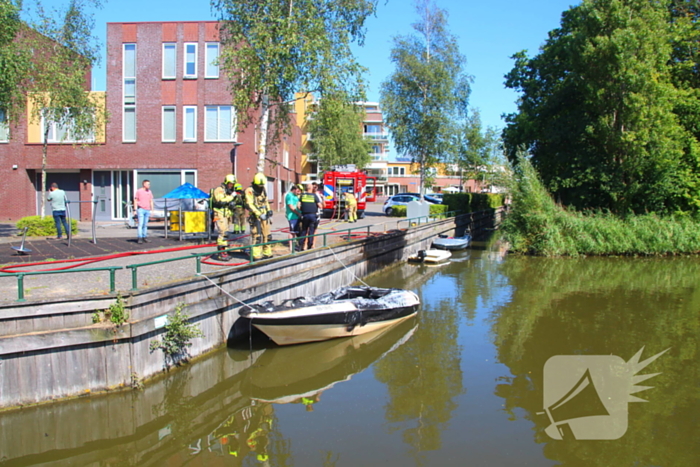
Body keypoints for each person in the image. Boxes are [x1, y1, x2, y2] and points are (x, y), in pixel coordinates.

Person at [244, 173, 273, 260]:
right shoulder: (249, 190)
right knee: (257, 236)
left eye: (262, 185)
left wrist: (269, 210)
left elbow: (266, 201)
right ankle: (256, 254)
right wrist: (259, 214)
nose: (260, 187)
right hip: (256, 217)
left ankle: (267, 252)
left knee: (267, 235)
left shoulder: (263, 189)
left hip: (265, 216)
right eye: (259, 186)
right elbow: (250, 204)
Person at [211, 174, 237, 260]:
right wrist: (231, 197)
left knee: (226, 234)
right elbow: (221, 200)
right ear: (226, 182)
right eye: (230, 183)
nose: (231, 185)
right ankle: (221, 253)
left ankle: (225, 251)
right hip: (219, 214)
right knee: (222, 233)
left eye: (232, 184)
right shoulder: (219, 190)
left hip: (226, 215)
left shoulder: (227, 191)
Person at [298, 183, 323, 251]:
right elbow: (320, 206)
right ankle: (310, 245)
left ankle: (301, 245)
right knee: (311, 231)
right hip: (312, 215)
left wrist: (303, 209)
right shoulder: (314, 196)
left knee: (304, 230)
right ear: (311, 188)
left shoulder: (302, 195)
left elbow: (298, 205)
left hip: (305, 215)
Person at [133, 179, 154, 244]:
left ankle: (145, 237)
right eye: (148, 184)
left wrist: (152, 210)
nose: (149, 185)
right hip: (141, 209)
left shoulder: (149, 192)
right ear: (144, 184)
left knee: (145, 224)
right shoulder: (139, 191)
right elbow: (136, 200)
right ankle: (140, 237)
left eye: (149, 184)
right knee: (140, 224)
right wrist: (135, 210)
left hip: (147, 209)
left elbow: (151, 201)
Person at [285, 184, 302, 251]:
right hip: (292, 216)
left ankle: (295, 245)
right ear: (294, 189)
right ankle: (291, 247)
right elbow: (291, 206)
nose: (299, 192)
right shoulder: (289, 196)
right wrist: (298, 213)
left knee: (296, 231)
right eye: (298, 191)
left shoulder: (295, 196)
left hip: (296, 216)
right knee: (292, 232)